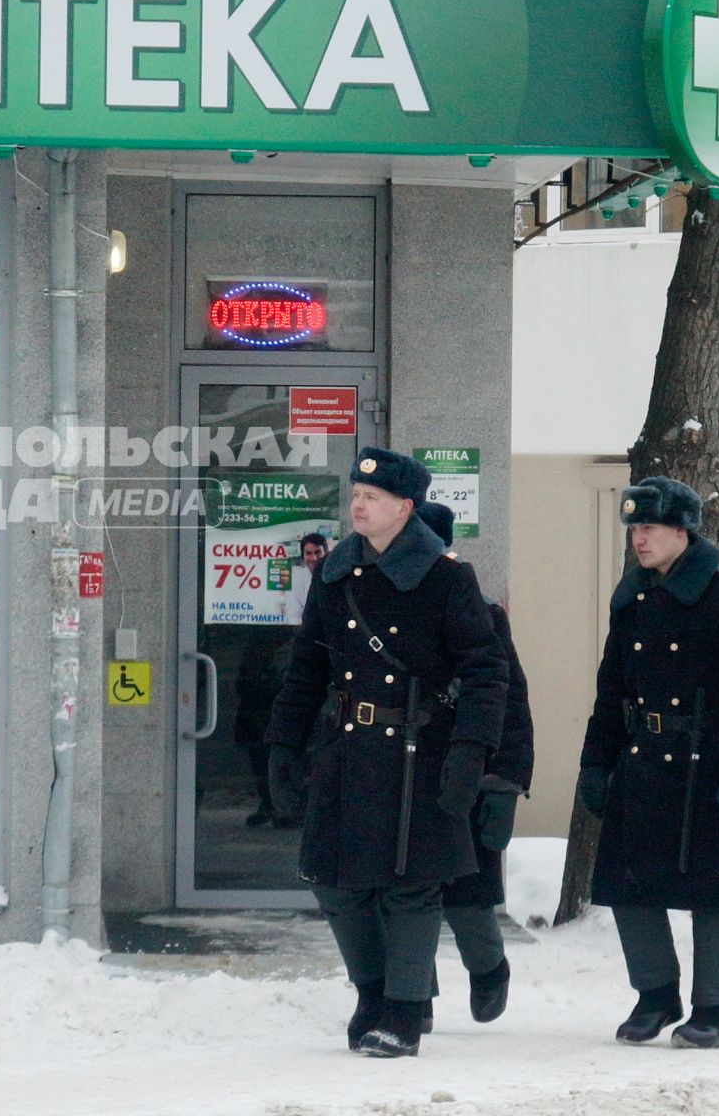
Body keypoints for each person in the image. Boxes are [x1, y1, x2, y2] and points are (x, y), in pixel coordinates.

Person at [266, 447, 509, 1057]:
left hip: (417, 750)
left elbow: (486, 672)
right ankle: (372, 991)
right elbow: (306, 666)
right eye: (355, 496)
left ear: (405, 507)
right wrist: (282, 745)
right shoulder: (336, 574)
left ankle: (403, 1009)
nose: (358, 505)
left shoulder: (447, 578)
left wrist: (471, 754)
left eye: (371, 498)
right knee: (334, 880)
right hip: (347, 748)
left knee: (411, 885)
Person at [577, 476, 719, 1049]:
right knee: (628, 883)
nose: (638, 540)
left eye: (649, 528)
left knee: (716, 889)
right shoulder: (632, 596)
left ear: (681, 530)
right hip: (643, 758)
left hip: (710, 759)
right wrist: (595, 765)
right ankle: (655, 994)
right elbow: (610, 691)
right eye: (634, 529)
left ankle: (714, 1006)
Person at [416, 499, 534, 1026]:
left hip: (465, 766)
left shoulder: (481, 613)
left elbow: (509, 702)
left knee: (465, 892)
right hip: (398, 767)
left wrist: (504, 783)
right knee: (402, 892)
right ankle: (411, 994)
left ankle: (488, 968)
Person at [238, 532, 331, 828]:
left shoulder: (332, 585)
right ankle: (271, 802)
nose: (313, 558)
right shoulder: (288, 590)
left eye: (318, 552)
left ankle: (293, 807)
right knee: (265, 745)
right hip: (276, 686)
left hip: (308, 687)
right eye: (308, 553)